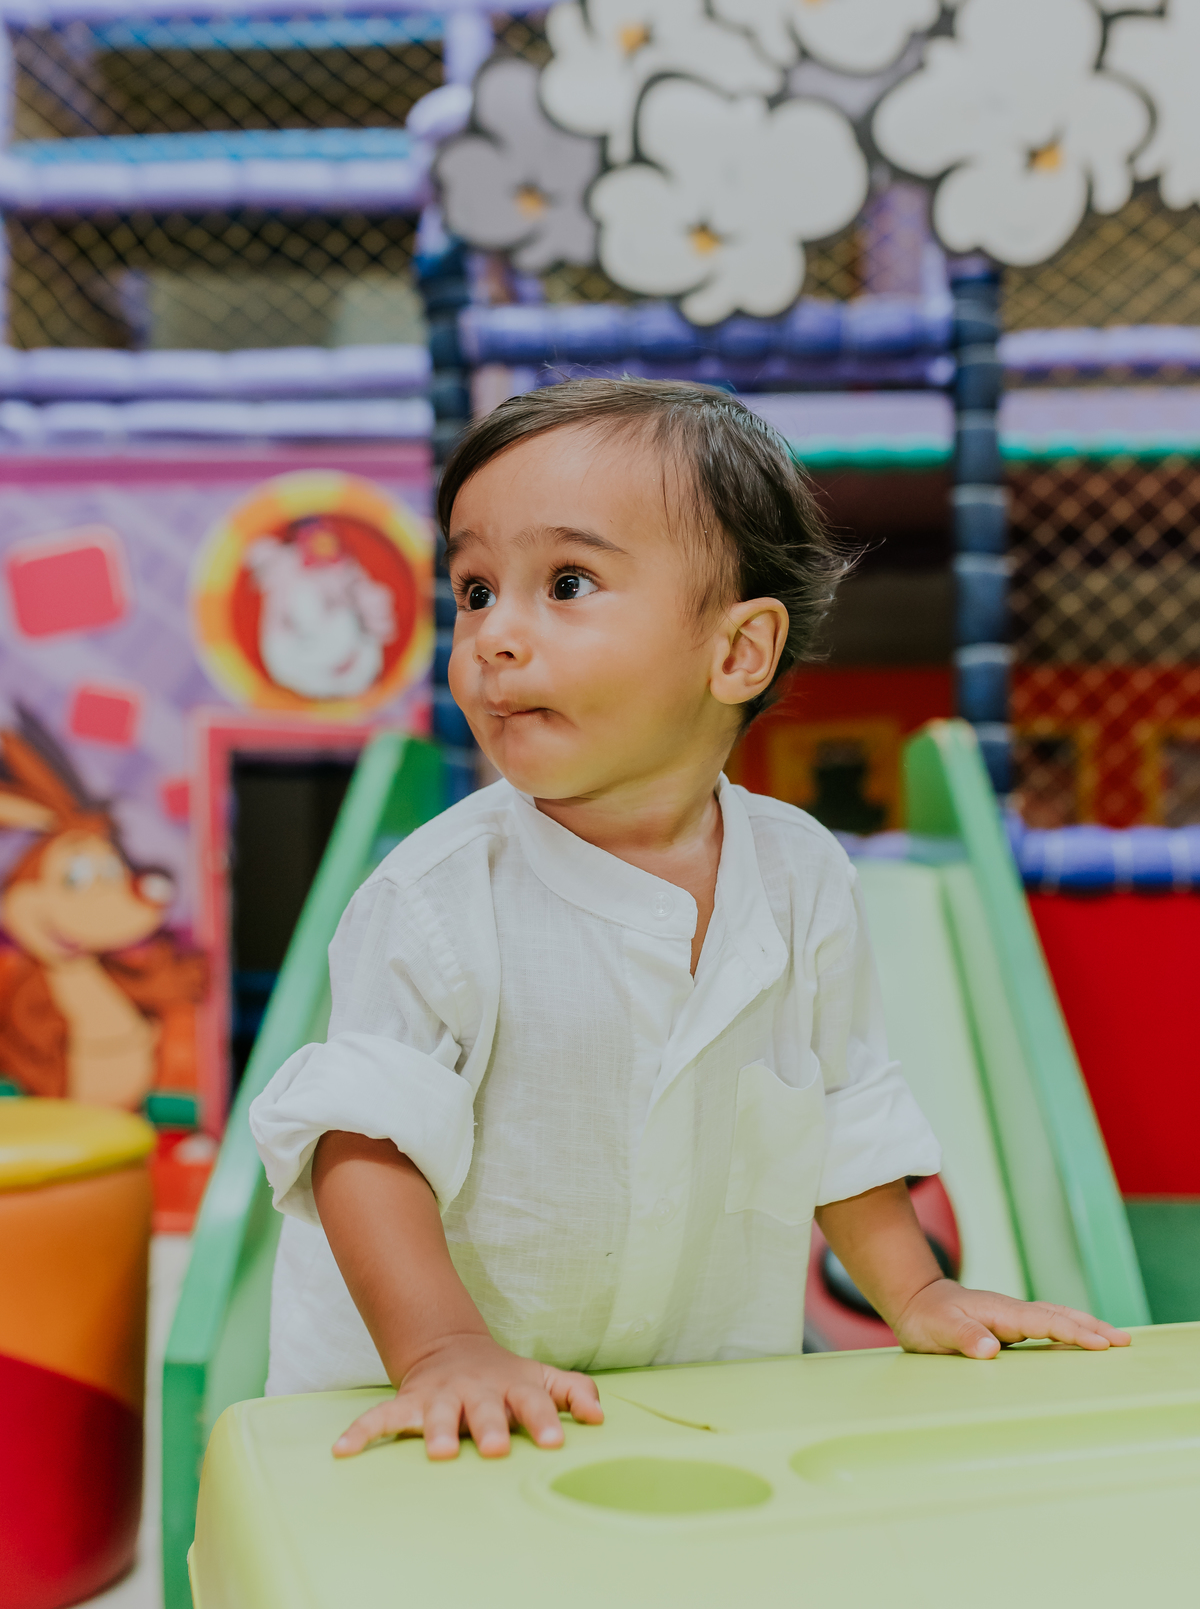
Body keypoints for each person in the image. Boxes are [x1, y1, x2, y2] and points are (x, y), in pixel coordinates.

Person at [250, 378, 1128, 1464]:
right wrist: (441, 1353)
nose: (493, 637)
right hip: (426, 1404)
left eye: (564, 583)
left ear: (737, 652)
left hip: (683, 1395)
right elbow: (364, 1140)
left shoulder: (804, 874)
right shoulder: (440, 893)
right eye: (475, 590)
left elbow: (842, 1111)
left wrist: (918, 1290)